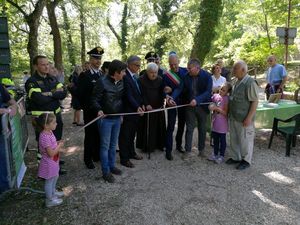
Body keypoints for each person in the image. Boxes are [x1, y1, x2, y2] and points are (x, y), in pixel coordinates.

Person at [25, 55, 67, 173]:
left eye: (47, 64)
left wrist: (48, 94)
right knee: (43, 145)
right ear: (36, 66)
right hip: (42, 119)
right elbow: (39, 99)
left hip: (56, 117)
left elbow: (64, 93)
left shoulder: (52, 78)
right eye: (43, 64)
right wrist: (55, 94)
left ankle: (55, 162)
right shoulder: (31, 82)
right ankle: (44, 169)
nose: (46, 66)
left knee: (56, 140)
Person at [91, 59, 127, 183]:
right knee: (105, 146)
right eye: (122, 71)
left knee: (113, 145)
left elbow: (121, 100)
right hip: (105, 120)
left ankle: (112, 166)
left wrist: (121, 114)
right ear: (116, 72)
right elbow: (94, 99)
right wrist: (99, 110)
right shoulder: (102, 82)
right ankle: (105, 171)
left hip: (117, 118)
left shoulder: (122, 82)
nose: (124, 74)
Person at [227, 60, 259, 170]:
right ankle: (236, 157)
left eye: (235, 69)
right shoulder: (236, 81)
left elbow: (254, 101)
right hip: (234, 116)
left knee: (246, 140)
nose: (233, 71)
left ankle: (246, 160)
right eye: (233, 68)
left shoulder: (250, 82)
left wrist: (249, 118)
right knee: (234, 139)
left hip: (244, 118)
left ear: (243, 70)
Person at [77, 47, 104, 169]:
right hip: (90, 111)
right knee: (89, 135)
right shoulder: (85, 75)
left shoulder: (102, 74)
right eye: (95, 58)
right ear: (90, 59)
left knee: (99, 134)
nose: (98, 61)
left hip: (101, 110)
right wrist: (86, 108)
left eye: (99, 58)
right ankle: (88, 159)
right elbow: (81, 94)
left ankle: (96, 155)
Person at [179, 58, 212, 158]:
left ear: (197, 68)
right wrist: (172, 97)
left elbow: (208, 92)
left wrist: (197, 100)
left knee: (202, 128)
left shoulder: (207, 76)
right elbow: (179, 89)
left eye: (189, 68)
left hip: (203, 106)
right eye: (187, 68)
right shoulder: (186, 76)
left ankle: (201, 150)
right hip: (190, 106)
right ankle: (187, 151)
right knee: (189, 128)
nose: (187, 70)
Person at [118, 56, 144, 168]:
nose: (139, 67)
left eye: (139, 65)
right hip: (128, 111)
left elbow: (137, 92)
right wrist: (137, 106)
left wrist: (141, 103)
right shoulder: (125, 76)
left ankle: (131, 152)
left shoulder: (134, 76)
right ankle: (124, 158)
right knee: (125, 135)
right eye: (137, 65)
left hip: (136, 111)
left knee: (132, 134)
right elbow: (128, 95)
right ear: (130, 64)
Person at [35, 113, 64, 208]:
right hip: (48, 163)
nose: (56, 124)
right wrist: (59, 146)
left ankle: (53, 192)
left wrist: (57, 143)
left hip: (54, 161)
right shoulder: (44, 137)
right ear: (46, 125)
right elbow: (50, 153)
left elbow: (52, 144)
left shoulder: (50, 132)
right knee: (49, 180)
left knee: (55, 176)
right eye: (54, 122)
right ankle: (49, 200)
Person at [136, 63, 166, 153]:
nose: (154, 75)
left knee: (159, 127)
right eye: (152, 73)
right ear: (147, 72)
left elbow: (162, 93)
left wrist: (162, 102)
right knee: (146, 127)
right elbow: (141, 94)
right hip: (146, 108)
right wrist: (146, 103)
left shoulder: (160, 79)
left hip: (158, 108)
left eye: (155, 72)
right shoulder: (141, 80)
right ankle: (146, 146)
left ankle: (159, 144)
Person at [163, 52, 188, 160]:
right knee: (171, 126)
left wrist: (172, 90)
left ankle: (178, 145)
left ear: (178, 61)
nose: (173, 66)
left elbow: (186, 87)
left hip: (183, 102)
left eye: (175, 64)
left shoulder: (186, 72)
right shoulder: (166, 75)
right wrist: (167, 96)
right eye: (171, 64)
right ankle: (168, 150)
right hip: (171, 102)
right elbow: (163, 90)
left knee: (182, 125)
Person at [207, 82, 231, 164]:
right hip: (215, 122)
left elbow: (225, 113)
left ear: (227, 92)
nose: (221, 91)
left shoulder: (227, 99)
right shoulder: (215, 96)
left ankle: (221, 155)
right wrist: (211, 106)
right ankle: (215, 153)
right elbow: (211, 103)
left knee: (222, 140)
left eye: (224, 90)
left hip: (222, 124)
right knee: (215, 139)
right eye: (221, 89)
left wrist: (217, 109)